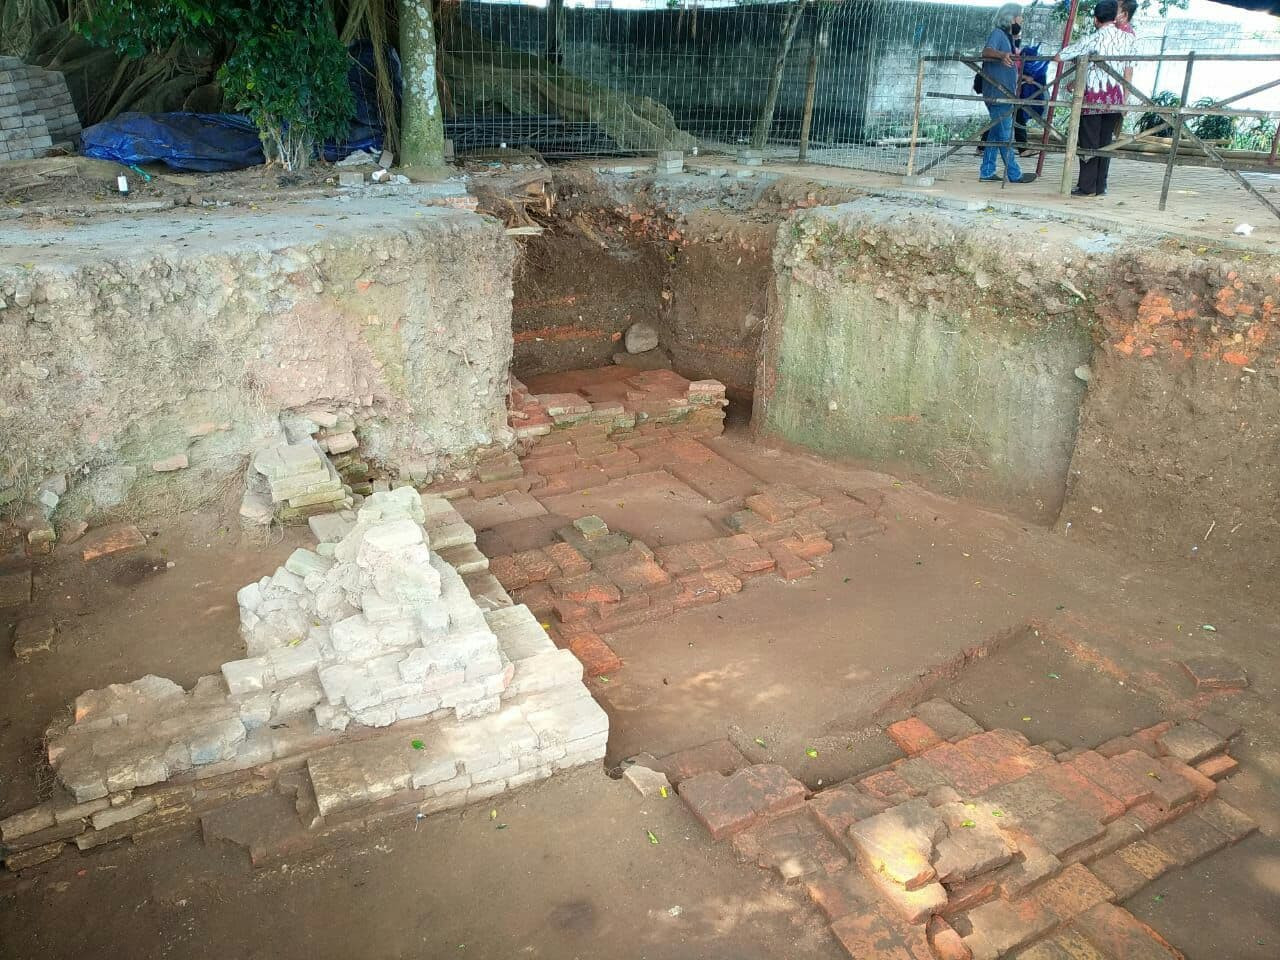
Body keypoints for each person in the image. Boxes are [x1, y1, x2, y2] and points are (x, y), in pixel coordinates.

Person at [1057, 0, 1137, 197]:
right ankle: (1101, 186)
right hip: (1115, 97)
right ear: (1114, 16)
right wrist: (1125, 99)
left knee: (1088, 142)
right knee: (1105, 142)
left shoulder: (1091, 39)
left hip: (1093, 97)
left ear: (1096, 19)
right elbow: (1129, 70)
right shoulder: (1129, 39)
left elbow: (1060, 56)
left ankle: (1086, 186)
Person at [979, 3, 1037, 183]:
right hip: (998, 92)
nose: (1022, 19)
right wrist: (1001, 55)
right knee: (1005, 135)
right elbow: (986, 51)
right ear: (1012, 18)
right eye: (1020, 16)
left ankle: (987, 172)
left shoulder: (1007, 37)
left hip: (1003, 91)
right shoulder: (998, 33)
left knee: (997, 134)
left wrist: (1022, 76)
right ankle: (1014, 174)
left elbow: (1010, 65)